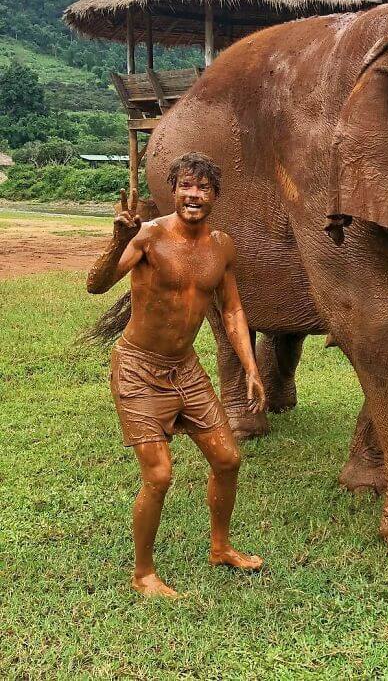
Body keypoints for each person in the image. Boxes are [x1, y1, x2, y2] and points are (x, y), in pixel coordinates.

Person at [87, 152, 266, 598]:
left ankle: (220, 547)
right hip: (137, 369)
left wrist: (251, 367)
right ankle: (143, 574)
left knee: (228, 459)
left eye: (204, 188)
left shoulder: (222, 246)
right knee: (160, 475)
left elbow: (233, 309)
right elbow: (96, 284)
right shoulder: (148, 236)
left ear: (215, 196)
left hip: (185, 370)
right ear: (173, 190)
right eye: (187, 185)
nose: (194, 195)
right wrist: (117, 239)